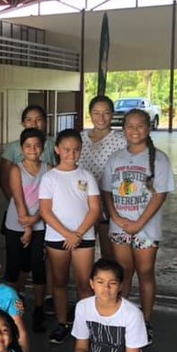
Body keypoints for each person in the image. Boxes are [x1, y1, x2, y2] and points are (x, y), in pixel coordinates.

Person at [102, 109, 175, 344]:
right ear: (123, 130)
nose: (135, 130)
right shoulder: (116, 158)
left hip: (146, 228)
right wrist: (116, 217)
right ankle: (122, 318)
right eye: (129, 126)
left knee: (145, 273)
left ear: (149, 128)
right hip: (120, 227)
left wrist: (139, 223)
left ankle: (145, 321)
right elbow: (106, 192)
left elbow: (159, 195)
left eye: (140, 126)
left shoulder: (160, 159)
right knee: (123, 274)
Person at [38, 129, 101, 345]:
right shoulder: (49, 177)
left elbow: (95, 209)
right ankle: (62, 323)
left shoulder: (86, 176)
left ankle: (85, 326)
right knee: (59, 282)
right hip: (58, 237)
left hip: (84, 237)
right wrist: (68, 235)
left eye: (76, 150)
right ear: (57, 150)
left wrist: (79, 234)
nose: (71, 154)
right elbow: (45, 211)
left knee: (85, 283)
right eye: (66, 150)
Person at [4, 128, 48, 332]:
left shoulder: (48, 169)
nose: (33, 149)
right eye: (28, 146)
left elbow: (47, 200)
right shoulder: (16, 169)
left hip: (40, 223)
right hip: (16, 224)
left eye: (37, 145)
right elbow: (19, 199)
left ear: (43, 148)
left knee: (37, 265)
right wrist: (27, 225)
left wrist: (36, 219)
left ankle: (38, 309)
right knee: (14, 265)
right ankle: (11, 309)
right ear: (22, 148)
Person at [79, 95, 127, 260]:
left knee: (109, 254)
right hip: (82, 203)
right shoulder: (80, 139)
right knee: (83, 252)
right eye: (96, 113)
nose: (101, 118)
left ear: (112, 114)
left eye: (106, 113)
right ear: (90, 114)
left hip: (110, 204)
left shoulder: (121, 140)